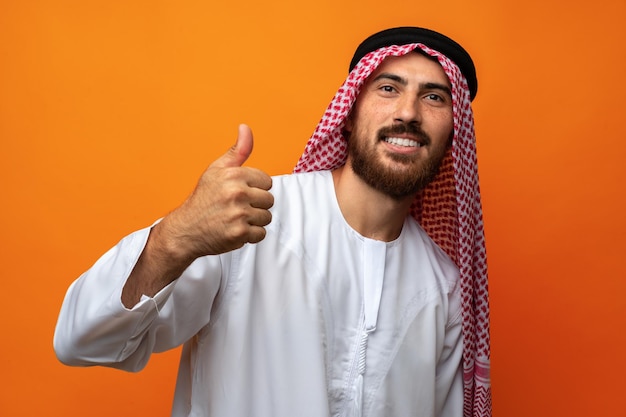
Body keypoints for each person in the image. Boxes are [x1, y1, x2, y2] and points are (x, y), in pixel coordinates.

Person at [54, 26, 491, 417]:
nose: (409, 113)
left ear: (454, 132)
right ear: (350, 111)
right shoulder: (247, 218)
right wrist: (177, 237)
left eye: (434, 97)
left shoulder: (443, 284)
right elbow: (84, 340)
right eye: (388, 88)